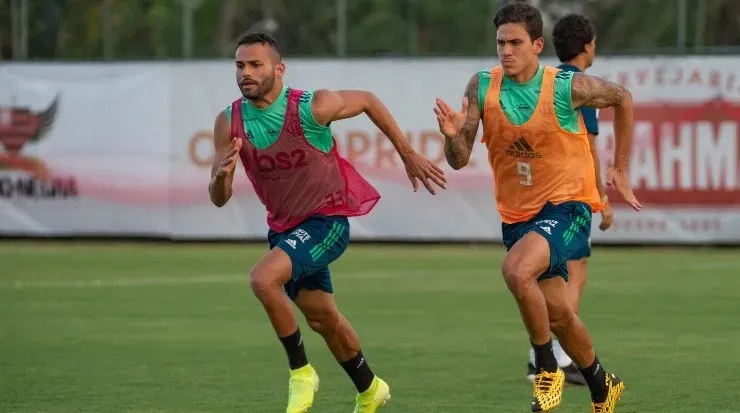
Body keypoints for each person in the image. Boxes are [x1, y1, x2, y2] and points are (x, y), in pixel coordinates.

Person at [210, 32, 446, 413]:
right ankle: (370, 388)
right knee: (323, 319)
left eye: (256, 65)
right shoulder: (229, 121)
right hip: (286, 230)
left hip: (327, 220)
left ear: (279, 69)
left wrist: (407, 154)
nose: (246, 73)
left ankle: (301, 372)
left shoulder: (311, 106)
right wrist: (220, 177)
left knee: (262, 279)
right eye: (240, 65)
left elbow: (367, 100)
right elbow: (218, 199)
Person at [434, 3, 641, 412]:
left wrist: (620, 166)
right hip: (518, 215)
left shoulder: (566, 86)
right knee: (559, 314)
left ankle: (547, 368)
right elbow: (458, 159)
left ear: (537, 45)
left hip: (568, 205)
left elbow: (623, 98)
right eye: (500, 43)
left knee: (515, 269)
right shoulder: (482, 86)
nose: (505, 51)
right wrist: (453, 135)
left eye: (515, 43)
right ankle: (603, 387)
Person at [523, 12, 616, 386]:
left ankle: (541, 355)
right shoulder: (578, 85)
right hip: (570, 197)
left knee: (549, 278)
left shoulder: (545, 80)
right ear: (588, 45)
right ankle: (557, 359)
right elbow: (588, 146)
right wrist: (602, 197)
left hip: (541, 196)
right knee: (572, 279)